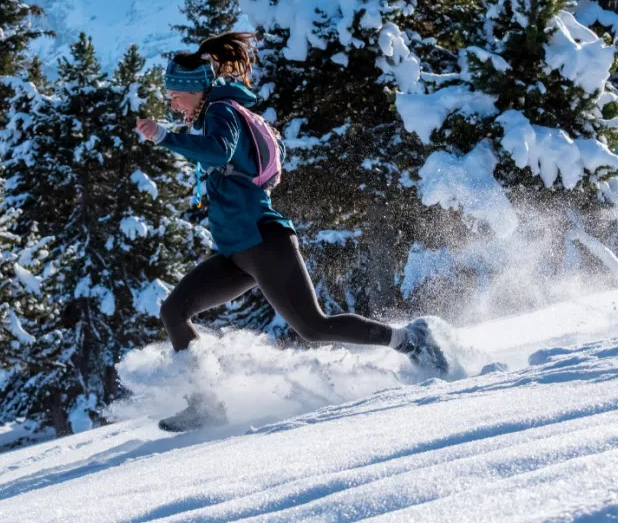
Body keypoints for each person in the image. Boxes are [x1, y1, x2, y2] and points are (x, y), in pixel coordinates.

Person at [136, 32, 448, 432]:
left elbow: (217, 153)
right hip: (236, 251)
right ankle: (205, 404)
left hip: (265, 242)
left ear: (196, 90)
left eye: (175, 95)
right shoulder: (214, 113)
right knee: (174, 310)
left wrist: (164, 137)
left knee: (314, 327)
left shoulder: (221, 113)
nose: (171, 103)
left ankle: (409, 339)